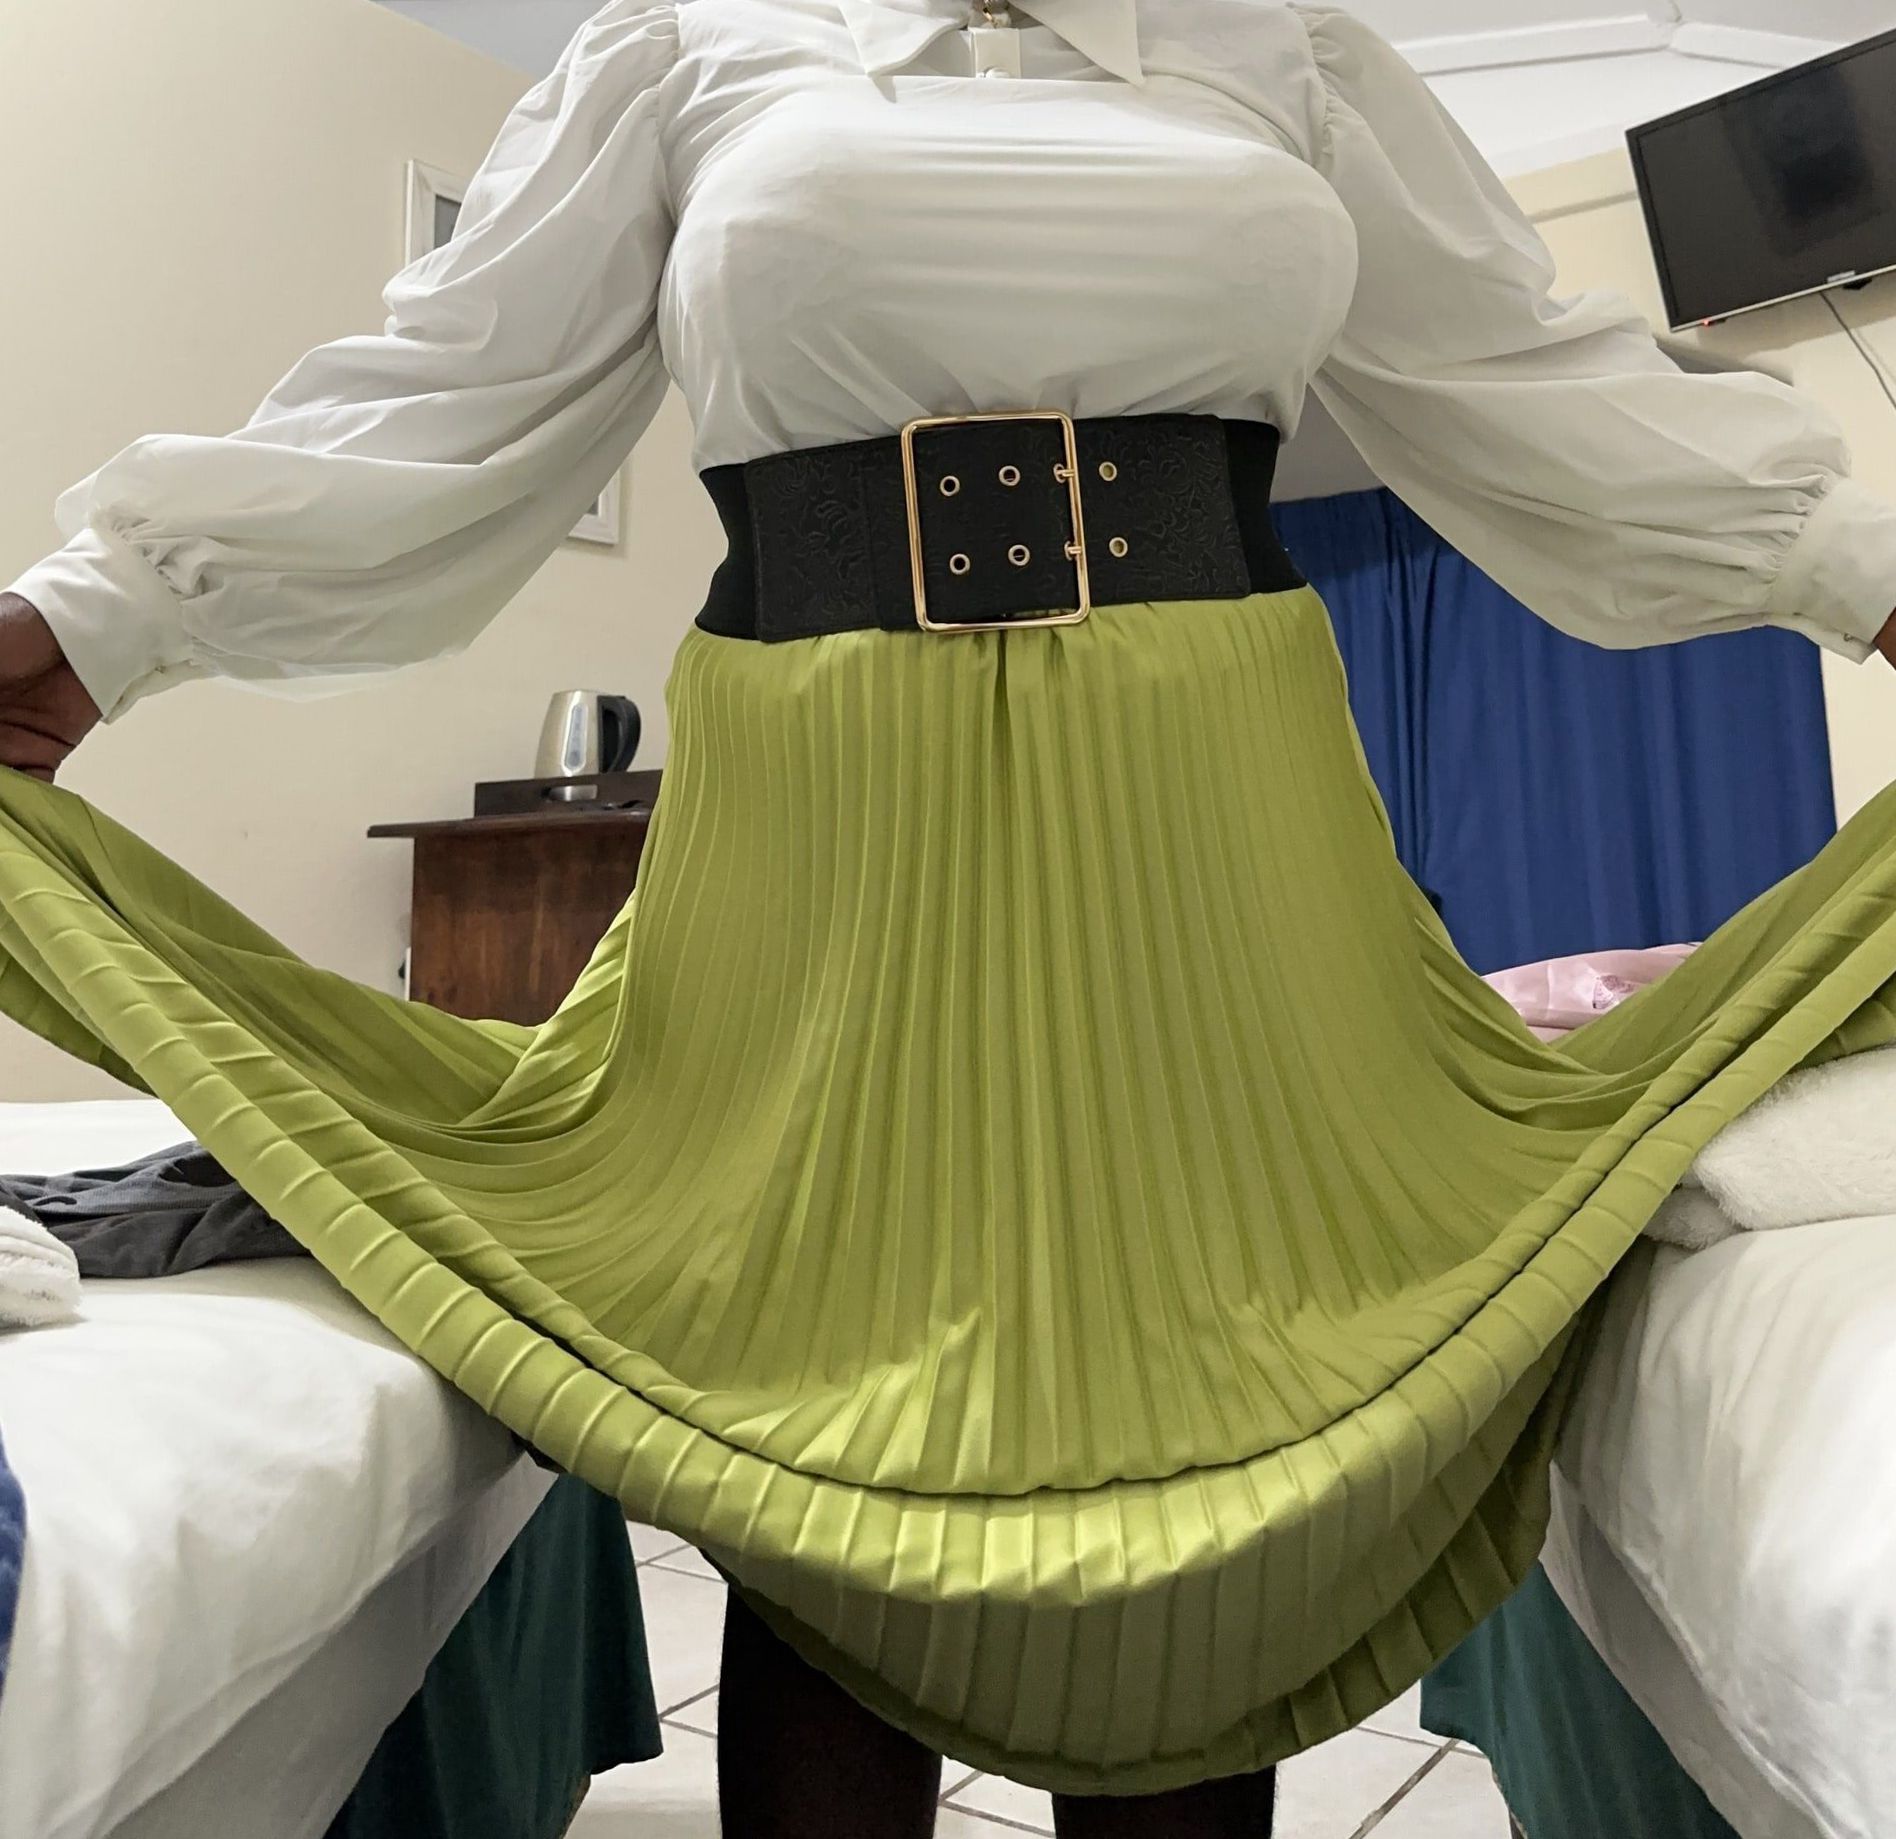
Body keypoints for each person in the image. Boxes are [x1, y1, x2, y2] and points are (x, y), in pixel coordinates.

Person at [4, 1, 1896, 1833]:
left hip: (1215, 812)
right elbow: (450, 391)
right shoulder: (685, 47)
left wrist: (1867, 572)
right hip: (825, 818)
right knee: (823, 1398)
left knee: (1215, 1405)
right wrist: (94, 619)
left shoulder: (1292, 52)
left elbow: (1529, 379)